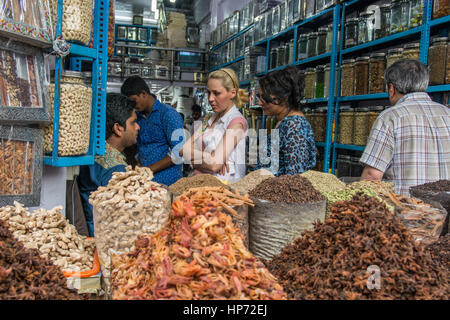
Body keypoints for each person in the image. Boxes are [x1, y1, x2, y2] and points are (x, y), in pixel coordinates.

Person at [360, 59, 450, 195]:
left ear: (391, 89)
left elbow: (372, 176)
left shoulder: (390, 117)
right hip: (444, 211)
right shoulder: (447, 114)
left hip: (405, 209)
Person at [78, 93, 140, 236]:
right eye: (133, 122)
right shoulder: (117, 170)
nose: (138, 127)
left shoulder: (91, 153)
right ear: (118, 128)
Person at [180, 68, 249, 183]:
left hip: (225, 189)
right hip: (202, 184)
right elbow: (182, 150)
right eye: (209, 93)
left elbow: (213, 165)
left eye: (216, 93)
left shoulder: (236, 122)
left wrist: (206, 161)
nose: (210, 99)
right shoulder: (209, 119)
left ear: (232, 93)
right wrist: (209, 157)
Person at [252, 65, 316, 176]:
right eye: (259, 97)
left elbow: (295, 176)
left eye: (264, 98)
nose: (260, 103)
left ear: (284, 98)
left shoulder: (295, 127)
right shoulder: (283, 121)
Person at [121, 75, 184, 186]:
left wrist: (148, 170)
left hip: (167, 181)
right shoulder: (138, 117)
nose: (133, 106)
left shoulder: (169, 114)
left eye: (134, 101)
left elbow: (178, 152)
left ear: (143, 94)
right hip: (145, 182)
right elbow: (141, 147)